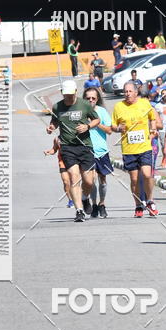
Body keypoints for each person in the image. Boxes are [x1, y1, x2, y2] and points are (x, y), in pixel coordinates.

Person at [47, 79, 101, 223]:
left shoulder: (84, 104)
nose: (69, 97)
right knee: (74, 177)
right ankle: (79, 211)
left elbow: (97, 120)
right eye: (66, 95)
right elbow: (55, 121)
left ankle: (85, 199)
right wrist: (51, 127)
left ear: (76, 92)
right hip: (68, 147)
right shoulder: (58, 107)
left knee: (89, 181)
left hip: (85, 146)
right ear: (62, 93)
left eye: (71, 94)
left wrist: (87, 126)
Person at [111, 81, 161, 217]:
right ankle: (138, 204)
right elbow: (113, 126)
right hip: (129, 149)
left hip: (144, 146)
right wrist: (118, 128)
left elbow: (153, 119)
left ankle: (150, 200)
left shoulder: (144, 104)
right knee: (134, 179)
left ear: (136, 92)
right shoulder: (118, 107)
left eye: (130, 91)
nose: (127, 94)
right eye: (125, 91)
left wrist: (153, 130)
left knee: (147, 174)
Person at [83, 85, 113, 219]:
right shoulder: (80, 112)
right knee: (91, 179)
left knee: (102, 179)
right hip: (87, 150)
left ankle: (102, 204)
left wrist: (95, 123)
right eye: (88, 98)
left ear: (97, 99)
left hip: (101, 150)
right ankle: (93, 204)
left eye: (93, 98)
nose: (90, 100)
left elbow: (109, 130)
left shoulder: (102, 111)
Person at [44, 136, 74, 208]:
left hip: (74, 161)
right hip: (62, 162)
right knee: (66, 182)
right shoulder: (57, 139)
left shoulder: (74, 136)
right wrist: (49, 152)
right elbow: (54, 149)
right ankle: (70, 200)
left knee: (74, 181)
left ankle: (78, 198)